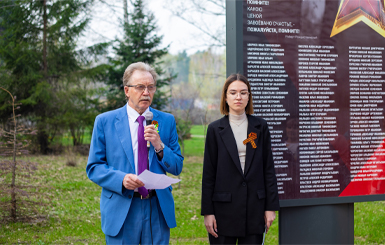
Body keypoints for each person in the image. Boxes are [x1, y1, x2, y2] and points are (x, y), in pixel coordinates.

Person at [86, 62, 183, 244]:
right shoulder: (105, 122)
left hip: (157, 208)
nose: (146, 92)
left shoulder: (166, 121)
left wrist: (159, 145)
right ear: (127, 90)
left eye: (150, 87)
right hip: (122, 207)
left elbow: (177, 166)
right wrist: (121, 179)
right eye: (140, 87)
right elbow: (94, 167)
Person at [201, 73, 279, 244]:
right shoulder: (215, 129)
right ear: (226, 97)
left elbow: (268, 168)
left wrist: (270, 207)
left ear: (249, 97)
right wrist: (208, 212)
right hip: (223, 210)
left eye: (243, 93)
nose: (238, 97)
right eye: (233, 92)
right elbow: (209, 173)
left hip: (254, 208)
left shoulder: (260, 127)